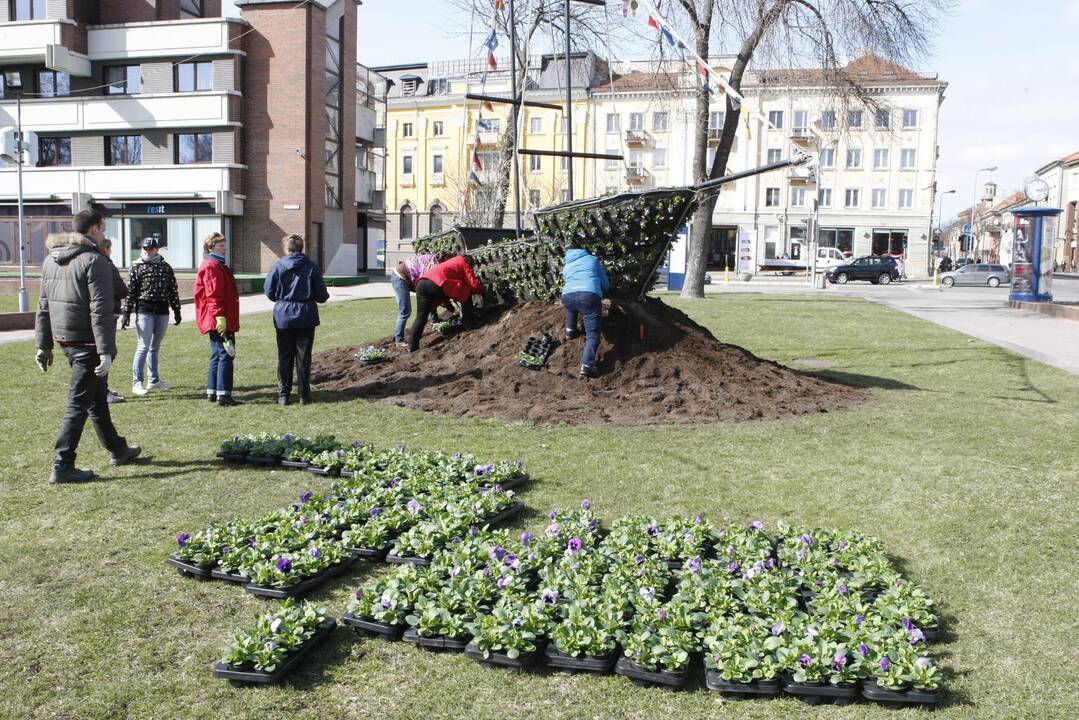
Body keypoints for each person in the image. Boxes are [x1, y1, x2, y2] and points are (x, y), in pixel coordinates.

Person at [34, 209, 142, 484]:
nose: (105, 233)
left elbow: (43, 307)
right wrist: (105, 350)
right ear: (95, 229)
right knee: (79, 403)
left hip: (68, 341)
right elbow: (101, 309)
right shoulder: (94, 260)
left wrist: (44, 345)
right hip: (88, 343)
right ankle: (63, 464)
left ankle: (118, 449)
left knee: (96, 398)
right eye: (103, 228)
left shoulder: (51, 260)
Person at [264, 234, 329, 405]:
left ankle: (284, 394)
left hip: (283, 315)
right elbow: (322, 295)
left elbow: (269, 292)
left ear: (286, 248)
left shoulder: (277, 266)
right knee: (303, 356)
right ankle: (303, 395)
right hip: (305, 314)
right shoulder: (311, 266)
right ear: (302, 248)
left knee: (284, 355)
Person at [123, 237, 182, 396]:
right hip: (144, 310)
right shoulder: (137, 267)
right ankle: (137, 382)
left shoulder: (165, 267)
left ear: (157, 249)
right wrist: (126, 313)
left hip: (162, 310)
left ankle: (153, 380)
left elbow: (172, 290)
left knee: (154, 348)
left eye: (151, 249)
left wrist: (177, 310)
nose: (148, 251)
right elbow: (131, 293)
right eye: (145, 249)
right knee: (143, 346)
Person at [193, 232, 241, 406]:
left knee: (216, 354)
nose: (224, 248)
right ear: (211, 247)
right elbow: (213, 294)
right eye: (220, 245)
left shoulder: (213, 264)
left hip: (216, 315)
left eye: (224, 244)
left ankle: (212, 391)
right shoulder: (212, 266)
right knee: (226, 354)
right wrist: (220, 316)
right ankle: (224, 395)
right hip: (219, 316)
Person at [408, 255, 485, 352]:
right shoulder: (464, 262)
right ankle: (470, 324)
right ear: (470, 262)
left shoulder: (454, 260)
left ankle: (412, 346)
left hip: (421, 283)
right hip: (436, 282)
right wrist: (483, 290)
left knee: (421, 317)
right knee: (466, 292)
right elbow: (473, 284)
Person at [561, 247, 609, 379]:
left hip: (567, 296)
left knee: (572, 306)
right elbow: (604, 282)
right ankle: (587, 365)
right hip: (588, 296)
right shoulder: (593, 260)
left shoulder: (567, 265)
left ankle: (570, 330)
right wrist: (605, 289)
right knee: (593, 334)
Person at [390, 251, 448, 348]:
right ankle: (398, 339)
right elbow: (425, 287)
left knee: (429, 295)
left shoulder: (433, 258)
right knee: (405, 311)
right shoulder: (432, 266)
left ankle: (434, 320)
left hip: (409, 276)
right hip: (399, 277)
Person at [96, 235, 128, 404]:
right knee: (106, 353)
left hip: (95, 314)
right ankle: (102, 391)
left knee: (100, 354)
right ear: (106, 249)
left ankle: (103, 388)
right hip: (107, 313)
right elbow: (122, 290)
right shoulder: (107, 264)